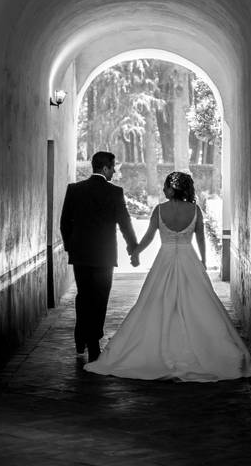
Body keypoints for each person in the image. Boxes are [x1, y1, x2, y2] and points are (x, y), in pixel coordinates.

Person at [84, 172, 251, 382]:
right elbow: (201, 239)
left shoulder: (160, 210)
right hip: (189, 259)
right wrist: (203, 262)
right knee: (198, 303)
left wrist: (136, 252)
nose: (163, 190)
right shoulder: (195, 210)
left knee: (155, 302)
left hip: (165, 260)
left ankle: (155, 351)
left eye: (165, 186)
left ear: (172, 188)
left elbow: (149, 237)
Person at [60, 151, 139, 361]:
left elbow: (64, 222)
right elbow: (125, 224)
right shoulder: (115, 192)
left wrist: (71, 247)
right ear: (105, 168)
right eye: (113, 167)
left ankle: (81, 337)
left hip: (81, 255)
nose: (114, 171)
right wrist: (133, 249)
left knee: (84, 296)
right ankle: (94, 342)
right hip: (104, 255)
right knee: (100, 298)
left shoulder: (74, 190)